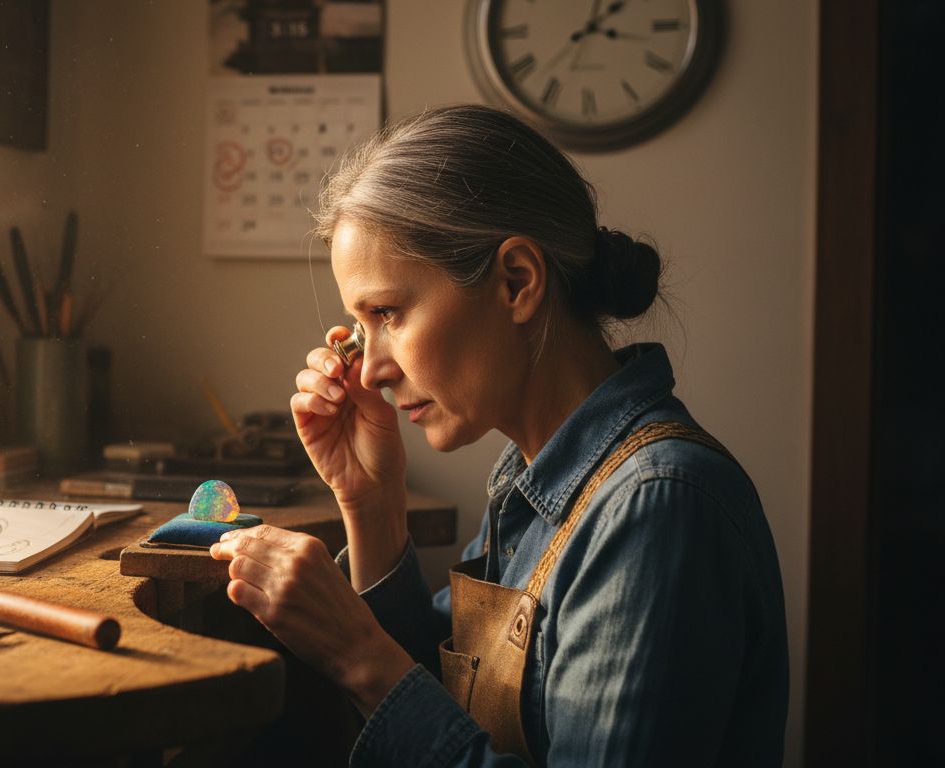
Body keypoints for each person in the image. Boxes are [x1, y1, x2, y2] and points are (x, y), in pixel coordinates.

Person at [208, 105, 788, 766]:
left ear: (517, 281)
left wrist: (355, 655)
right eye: (360, 327)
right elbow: (457, 704)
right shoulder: (532, 482)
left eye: (388, 312)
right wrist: (371, 504)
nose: (371, 369)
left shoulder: (656, 507)